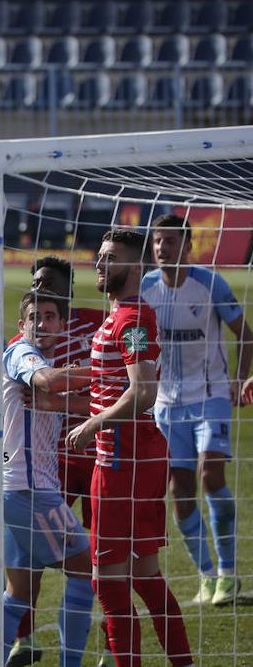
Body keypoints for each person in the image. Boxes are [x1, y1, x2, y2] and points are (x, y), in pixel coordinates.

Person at [67, 229, 205, 667]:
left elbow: (143, 392)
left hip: (122, 461)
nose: (101, 266)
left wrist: (93, 424)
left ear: (137, 266)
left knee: (109, 578)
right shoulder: (121, 318)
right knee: (145, 576)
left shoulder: (133, 318)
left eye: (113, 259)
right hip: (137, 457)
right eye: (100, 258)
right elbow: (115, 386)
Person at [0, 289, 113, 667]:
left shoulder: (37, 361)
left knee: (20, 592)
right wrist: (103, 369)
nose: (42, 324)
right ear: (21, 323)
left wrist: (81, 401)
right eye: (35, 316)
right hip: (31, 490)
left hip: (15, 490)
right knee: (85, 569)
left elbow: (58, 398)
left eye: (50, 317)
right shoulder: (21, 353)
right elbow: (46, 383)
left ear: (63, 324)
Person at [141, 214, 250, 607]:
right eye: (156, 241)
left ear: (187, 247)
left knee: (210, 474)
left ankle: (228, 572)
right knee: (179, 490)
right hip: (167, 403)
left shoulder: (210, 284)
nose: (161, 248)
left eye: (170, 241)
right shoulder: (146, 288)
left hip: (211, 395)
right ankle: (207, 576)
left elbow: (246, 335)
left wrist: (239, 379)